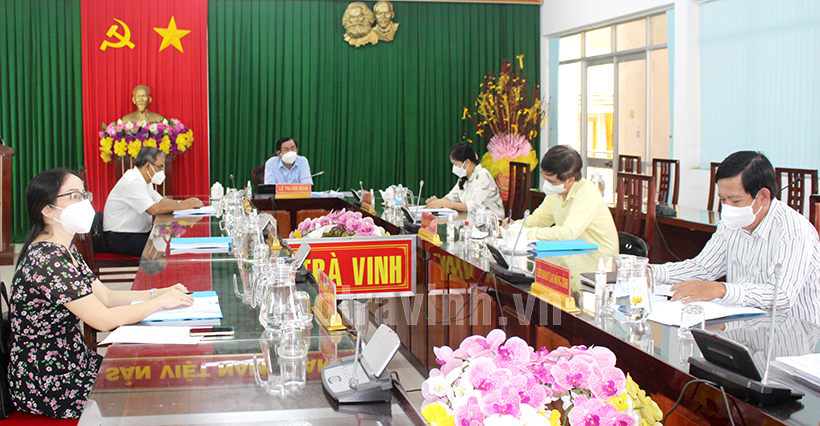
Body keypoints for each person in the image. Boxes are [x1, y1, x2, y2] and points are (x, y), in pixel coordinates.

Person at [9, 168, 194, 418]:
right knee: (151, 393)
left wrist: (158, 292)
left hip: (74, 362)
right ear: (47, 209)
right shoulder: (48, 260)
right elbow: (103, 320)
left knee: (155, 376)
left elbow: (107, 297)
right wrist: (159, 303)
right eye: (74, 196)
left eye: (84, 194)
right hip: (49, 380)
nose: (84, 202)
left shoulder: (64, 249)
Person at [652, 151, 820, 325]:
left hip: (793, 331)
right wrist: (652, 272)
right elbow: (703, 268)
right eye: (722, 200)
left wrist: (722, 290)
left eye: (736, 201)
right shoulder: (730, 224)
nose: (728, 208)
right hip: (744, 325)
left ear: (763, 197)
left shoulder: (794, 231)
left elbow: (782, 296)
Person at [506, 145, 618, 277]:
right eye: (545, 179)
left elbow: (567, 233)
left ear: (570, 181)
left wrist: (525, 233)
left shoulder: (586, 193)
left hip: (598, 263)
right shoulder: (556, 193)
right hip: (570, 256)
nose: (547, 185)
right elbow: (538, 219)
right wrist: (514, 227)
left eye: (552, 182)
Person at [104, 147, 203, 257]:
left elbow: (160, 200)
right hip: (120, 236)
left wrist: (183, 203)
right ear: (148, 165)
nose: (162, 171)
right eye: (160, 167)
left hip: (136, 233)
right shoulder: (132, 181)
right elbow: (153, 209)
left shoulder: (144, 179)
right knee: (161, 252)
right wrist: (182, 205)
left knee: (167, 243)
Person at [426, 142, 504, 217]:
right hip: (472, 219)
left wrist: (447, 204)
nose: (454, 168)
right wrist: (438, 202)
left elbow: (474, 206)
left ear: (467, 162)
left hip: (492, 221)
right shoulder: (464, 177)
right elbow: (453, 196)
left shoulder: (482, 175)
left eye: (455, 164)